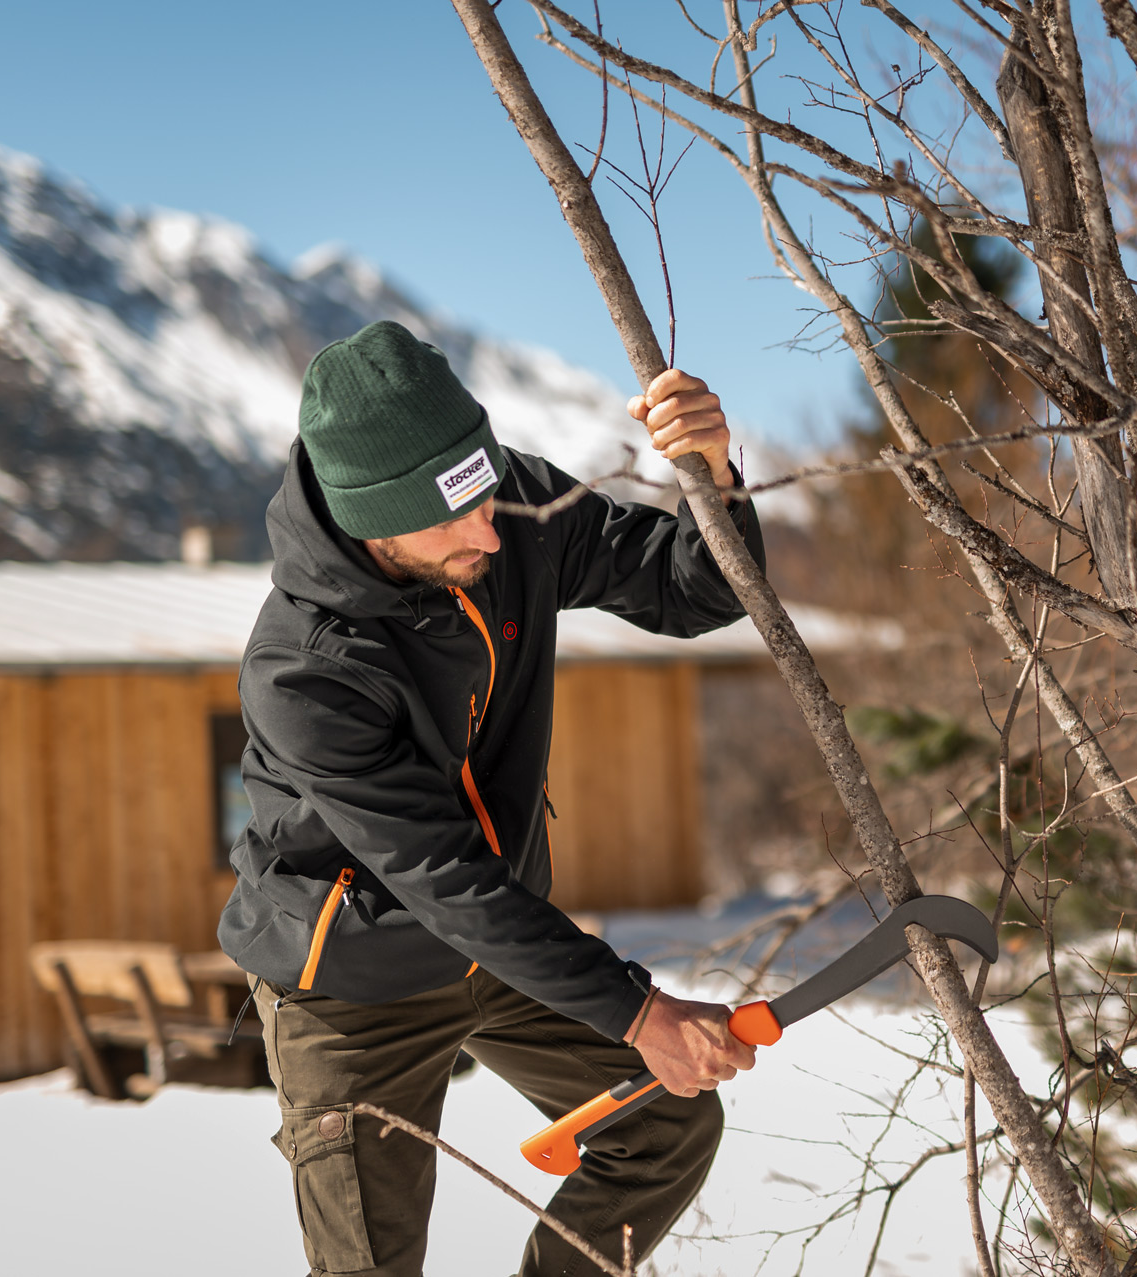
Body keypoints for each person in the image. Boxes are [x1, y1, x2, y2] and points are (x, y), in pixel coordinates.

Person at [218, 320, 761, 1277]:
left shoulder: (504, 506)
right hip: (352, 983)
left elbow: (693, 595)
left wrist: (710, 477)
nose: (490, 530)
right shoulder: (303, 669)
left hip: (498, 946)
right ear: (369, 521)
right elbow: (444, 877)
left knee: (665, 1120)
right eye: (453, 516)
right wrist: (639, 1012)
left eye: (487, 492)